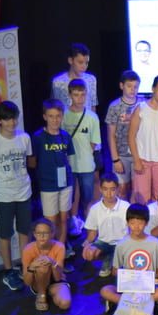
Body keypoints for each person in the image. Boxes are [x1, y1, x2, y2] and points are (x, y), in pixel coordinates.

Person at [0, 100, 32, 291]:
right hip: (4, 195)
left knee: (24, 231)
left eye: (14, 118)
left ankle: (25, 266)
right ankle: (8, 271)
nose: (12, 123)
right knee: (5, 233)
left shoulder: (24, 138)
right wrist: (2, 182)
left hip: (24, 192)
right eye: (7, 120)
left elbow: (28, 160)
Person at [99, 203, 158, 314]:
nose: (136, 227)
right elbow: (115, 271)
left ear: (146, 223)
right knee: (105, 290)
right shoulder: (121, 244)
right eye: (132, 223)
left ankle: (126, 303)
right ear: (127, 223)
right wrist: (127, 276)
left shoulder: (155, 243)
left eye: (140, 223)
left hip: (148, 285)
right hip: (130, 285)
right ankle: (146, 304)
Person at [30, 99, 75, 257]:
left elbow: (69, 158)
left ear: (62, 116)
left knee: (63, 218)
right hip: (48, 186)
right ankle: (50, 254)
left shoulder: (65, 136)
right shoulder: (37, 137)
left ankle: (61, 252)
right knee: (51, 221)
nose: (55, 119)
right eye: (51, 116)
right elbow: (32, 161)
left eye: (58, 116)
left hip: (66, 184)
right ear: (45, 116)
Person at [127, 75, 158, 205]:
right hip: (142, 160)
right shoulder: (141, 108)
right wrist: (136, 160)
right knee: (141, 198)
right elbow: (131, 136)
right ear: (153, 89)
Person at [63, 78, 102, 219]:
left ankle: (88, 222)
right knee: (70, 198)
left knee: (88, 197)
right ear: (70, 95)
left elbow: (94, 142)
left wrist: (85, 153)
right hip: (68, 164)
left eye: (83, 95)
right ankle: (73, 221)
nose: (80, 98)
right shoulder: (63, 116)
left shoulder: (92, 117)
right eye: (76, 95)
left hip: (86, 165)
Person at [81, 174, 130, 277]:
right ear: (100, 189)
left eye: (112, 189)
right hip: (103, 242)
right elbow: (92, 232)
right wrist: (87, 244)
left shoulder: (126, 206)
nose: (109, 194)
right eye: (105, 189)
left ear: (117, 189)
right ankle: (108, 258)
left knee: (117, 274)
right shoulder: (95, 208)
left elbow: (131, 228)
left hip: (121, 243)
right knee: (89, 253)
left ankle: (112, 261)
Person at [105, 70, 143, 200]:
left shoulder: (143, 104)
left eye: (135, 87)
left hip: (139, 154)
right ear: (122, 86)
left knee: (137, 190)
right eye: (129, 86)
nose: (133, 90)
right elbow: (111, 135)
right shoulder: (115, 106)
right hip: (121, 155)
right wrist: (115, 159)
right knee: (122, 190)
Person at [21, 218, 71, 311]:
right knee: (42, 265)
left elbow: (58, 278)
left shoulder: (59, 246)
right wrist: (32, 267)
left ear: (52, 234)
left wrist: (52, 263)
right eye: (39, 233)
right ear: (34, 234)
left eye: (45, 233)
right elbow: (27, 282)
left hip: (55, 281)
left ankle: (50, 292)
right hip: (37, 281)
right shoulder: (28, 249)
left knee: (65, 304)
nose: (42, 236)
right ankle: (42, 294)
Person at [52, 42, 98, 112]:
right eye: (80, 62)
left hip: (87, 122)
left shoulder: (91, 80)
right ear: (70, 60)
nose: (84, 66)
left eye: (86, 63)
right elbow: (55, 108)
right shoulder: (58, 82)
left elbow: (93, 106)